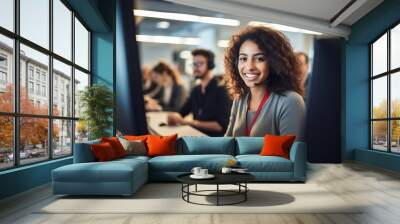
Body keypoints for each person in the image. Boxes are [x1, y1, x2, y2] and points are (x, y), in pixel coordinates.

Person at [224, 26, 306, 140]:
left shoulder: (290, 101)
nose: (249, 67)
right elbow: (227, 143)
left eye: (260, 59)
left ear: (274, 63)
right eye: (243, 59)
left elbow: (292, 154)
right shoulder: (240, 99)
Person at [167, 49, 232, 136]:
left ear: (210, 65)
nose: (195, 67)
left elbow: (221, 126)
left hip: (215, 142)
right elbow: (182, 112)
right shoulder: (196, 90)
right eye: (193, 64)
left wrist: (188, 122)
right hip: (197, 136)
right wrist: (174, 116)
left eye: (199, 64)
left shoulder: (222, 90)